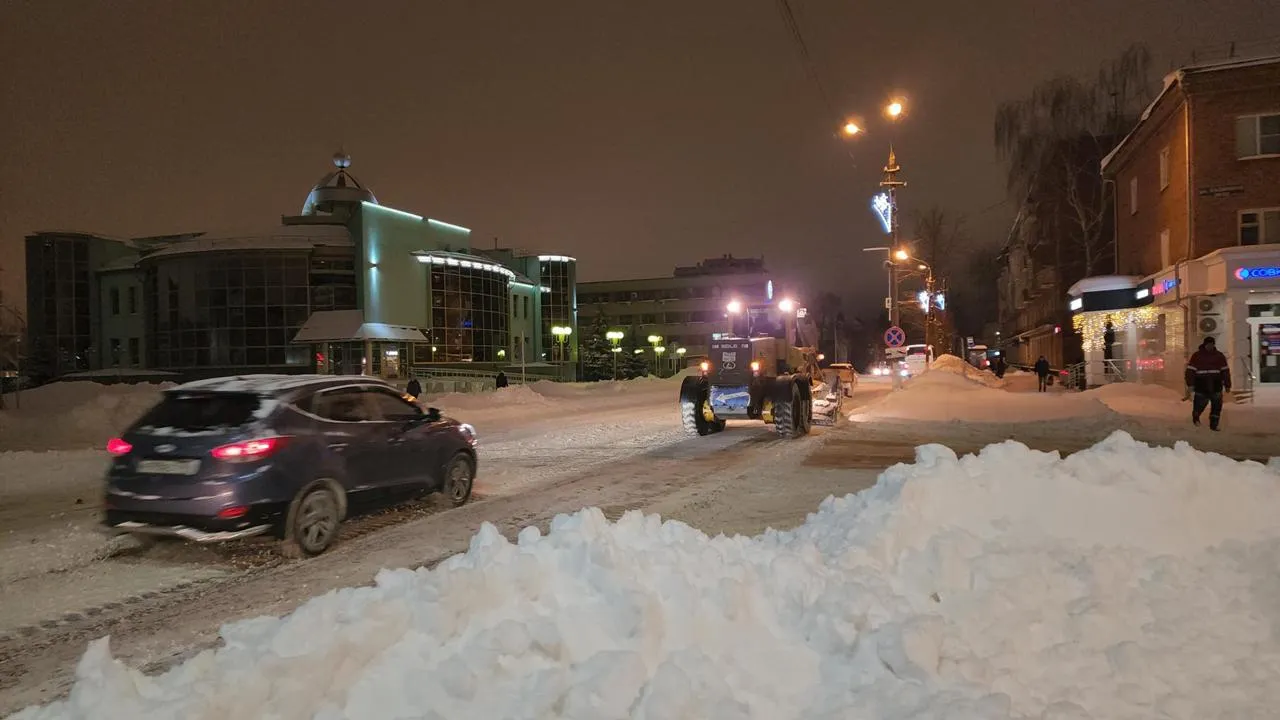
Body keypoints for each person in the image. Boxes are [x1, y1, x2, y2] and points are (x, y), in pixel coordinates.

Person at [1185, 337, 1231, 431]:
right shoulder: (1197, 356)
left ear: (1214, 345)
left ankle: (1214, 424)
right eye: (1208, 344)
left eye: (1211, 344)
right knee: (1200, 404)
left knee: (1217, 406)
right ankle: (1196, 416)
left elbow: (1225, 371)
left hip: (1216, 384)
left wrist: (1227, 384)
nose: (1210, 346)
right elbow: (1190, 371)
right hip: (1201, 384)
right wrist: (1190, 384)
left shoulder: (1219, 356)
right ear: (1205, 344)